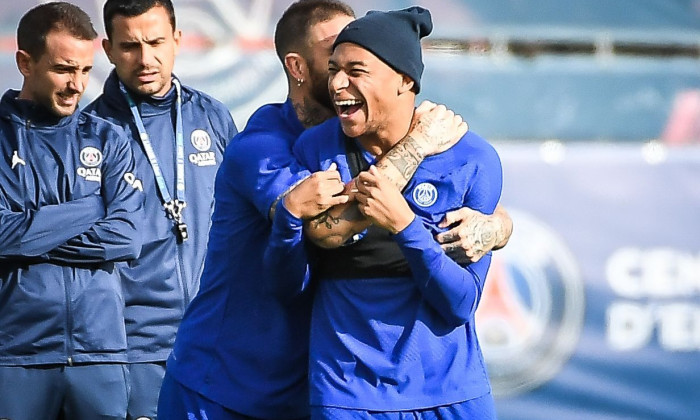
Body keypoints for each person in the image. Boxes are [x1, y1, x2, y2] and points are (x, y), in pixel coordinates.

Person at [159, 1, 509, 419]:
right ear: (298, 66)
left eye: (357, 61)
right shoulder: (270, 146)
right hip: (228, 386)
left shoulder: (454, 151)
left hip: (308, 387)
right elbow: (324, 229)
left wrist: (500, 225)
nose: (342, 75)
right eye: (334, 57)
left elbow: (459, 278)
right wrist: (415, 149)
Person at [291, 6, 501, 418]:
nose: (337, 83)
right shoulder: (315, 151)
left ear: (405, 79)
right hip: (347, 393)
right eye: (333, 68)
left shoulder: (472, 159)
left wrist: (405, 226)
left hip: (449, 394)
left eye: (356, 70)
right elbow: (303, 257)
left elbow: (459, 302)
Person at [83, 0, 238, 419]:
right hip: (137, 345)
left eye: (155, 42)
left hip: (219, 337)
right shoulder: (91, 134)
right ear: (109, 49)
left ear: (177, 40)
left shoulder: (213, 117)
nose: (145, 58)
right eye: (130, 46)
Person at [0, 2, 144, 420]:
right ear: (25, 63)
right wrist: (91, 207)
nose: (76, 84)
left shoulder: (108, 138)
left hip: (101, 351)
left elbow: (126, 236)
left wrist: (33, 235)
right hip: (16, 353)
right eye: (64, 69)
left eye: (85, 70)